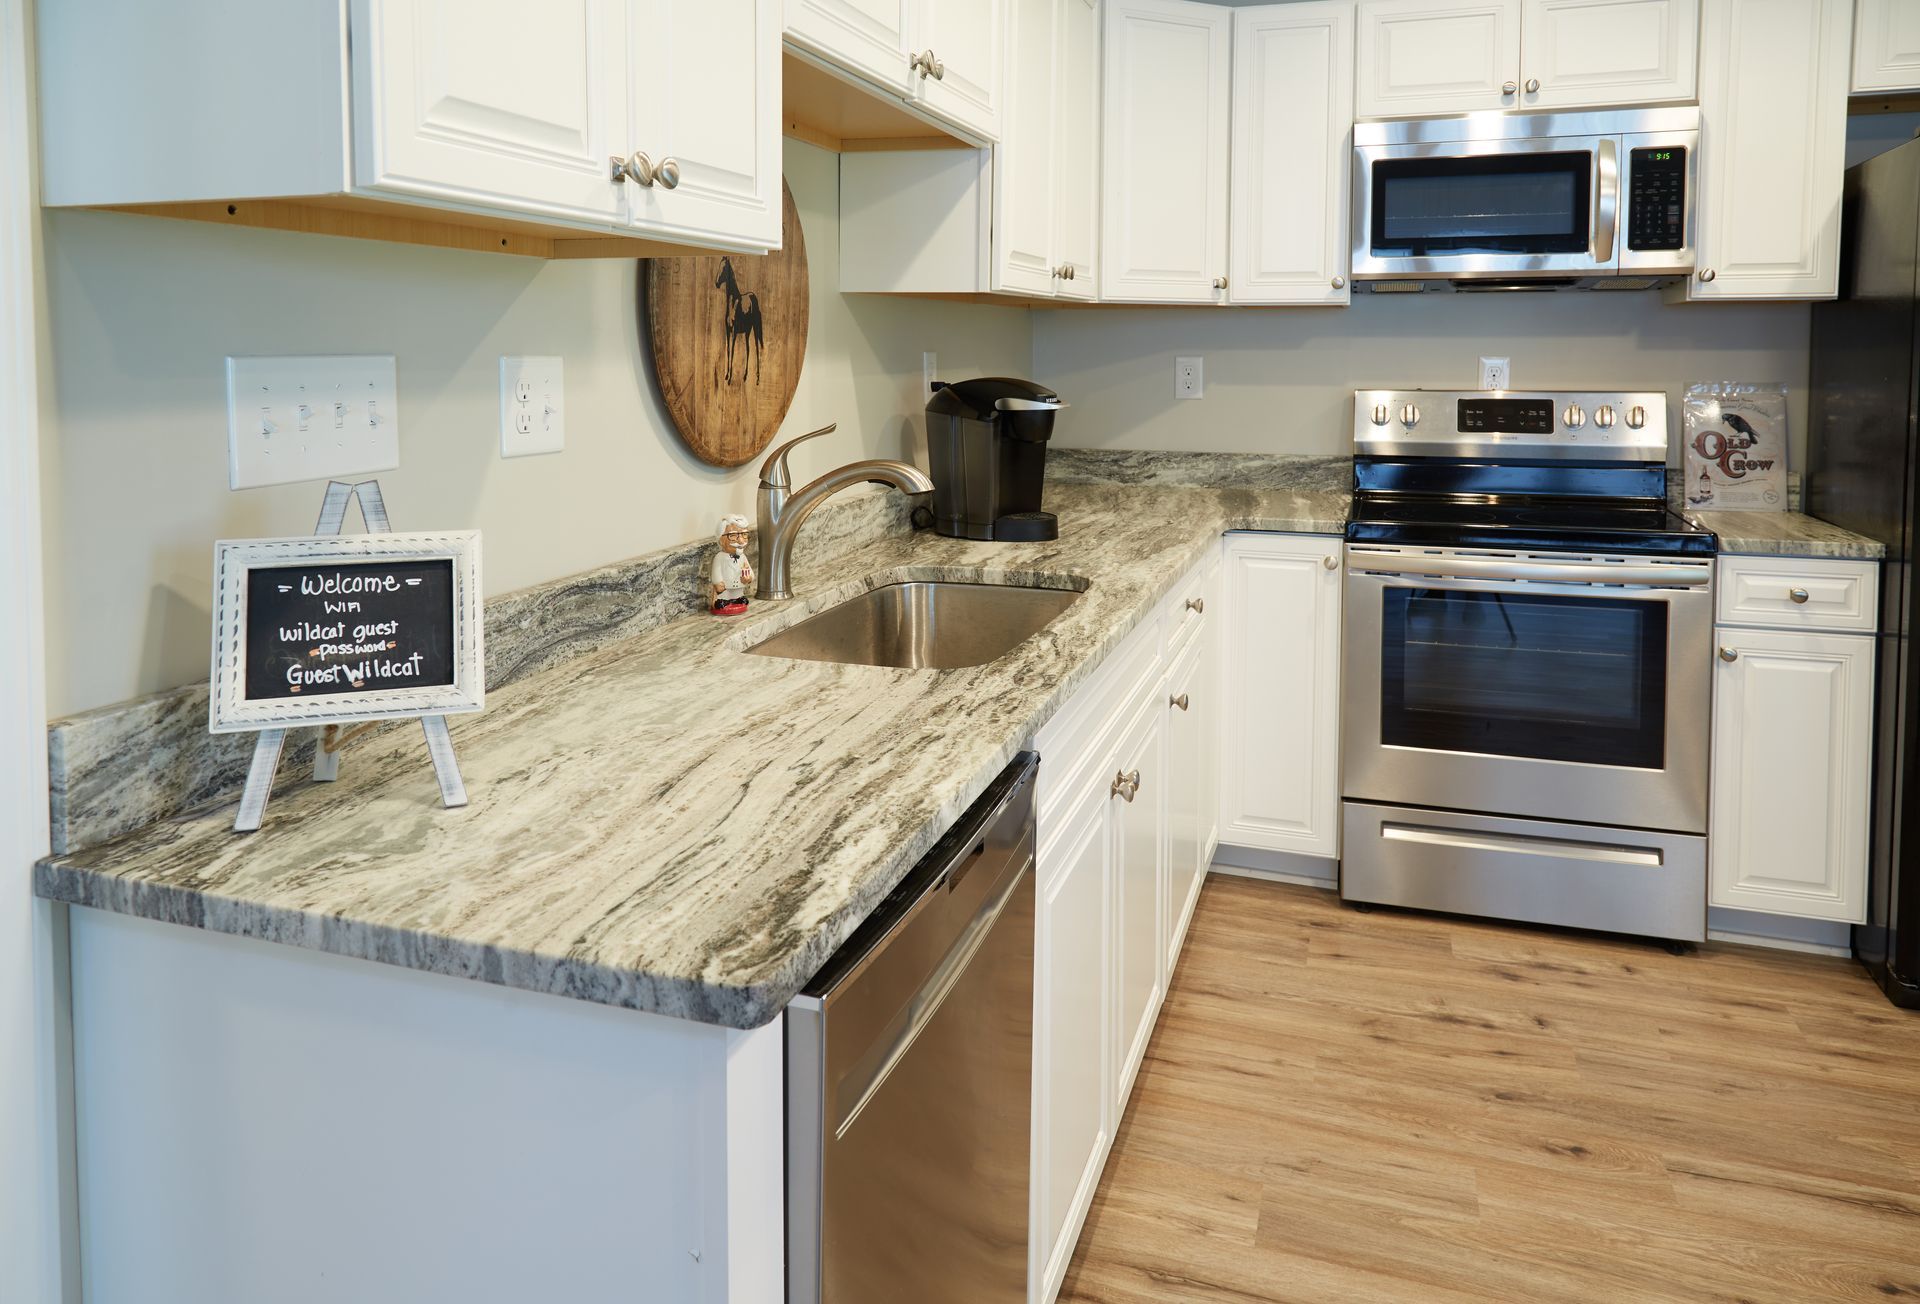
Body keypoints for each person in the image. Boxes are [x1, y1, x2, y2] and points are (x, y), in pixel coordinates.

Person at [709, 514, 753, 615]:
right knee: (723, 596)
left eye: (744, 535)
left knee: (739, 595)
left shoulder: (743, 557)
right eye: (733, 536)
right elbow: (716, 572)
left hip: (738, 587)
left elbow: (750, 572)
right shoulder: (719, 557)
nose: (741, 541)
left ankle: (738, 599)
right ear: (721, 539)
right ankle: (724, 601)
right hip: (725, 589)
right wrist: (718, 582)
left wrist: (749, 578)